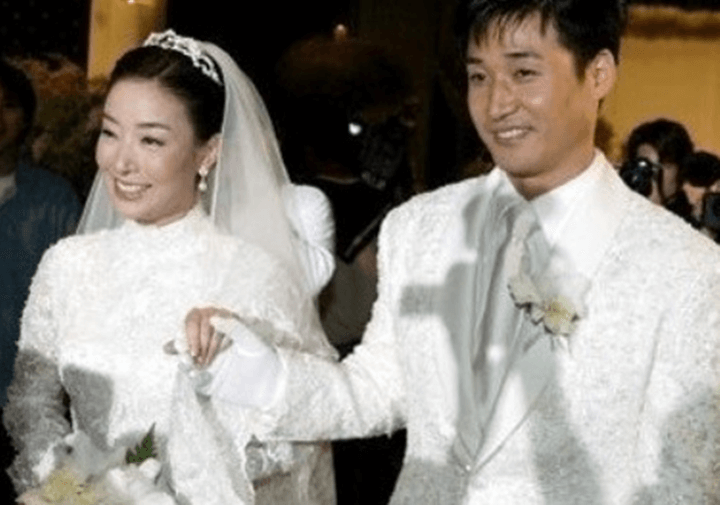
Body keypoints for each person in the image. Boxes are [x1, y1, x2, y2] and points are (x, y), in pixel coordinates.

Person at [189, 0, 720, 503]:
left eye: (524, 73)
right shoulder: (418, 229)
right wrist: (268, 376)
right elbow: (378, 388)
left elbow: (679, 486)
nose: (497, 104)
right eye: (479, 76)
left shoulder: (685, 271)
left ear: (599, 74)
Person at [4, 31, 338, 504]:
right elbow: (31, 401)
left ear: (208, 152)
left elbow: (305, 426)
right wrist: (67, 484)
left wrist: (179, 487)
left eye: (151, 140)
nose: (121, 161)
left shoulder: (254, 275)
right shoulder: (66, 264)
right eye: (110, 132)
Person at [0, 59, 81, 499]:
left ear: (28, 118)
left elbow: (76, 301)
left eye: (9, 105)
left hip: (27, 401)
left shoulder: (55, 198)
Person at [623, 118, 694, 212]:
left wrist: (655, 210)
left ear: (681, 170)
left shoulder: (692, 217)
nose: (652, 173)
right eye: (644, 164)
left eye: (662, 165)